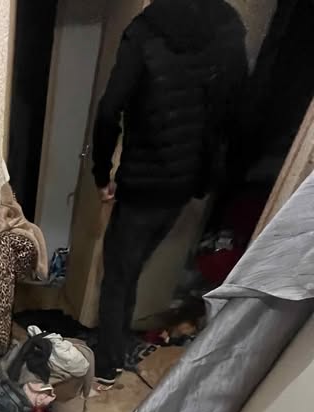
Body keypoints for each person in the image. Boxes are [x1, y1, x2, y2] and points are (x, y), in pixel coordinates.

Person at [91, 0, 248, 386]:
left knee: (118, 275)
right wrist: (209, 173)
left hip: (142, 182)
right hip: (184, 182)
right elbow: (234, 109)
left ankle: (107, 364)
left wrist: (101, 173)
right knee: (132, 267)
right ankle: (119, 343)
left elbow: (110, 109)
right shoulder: (226, 25)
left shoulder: (146, 29)